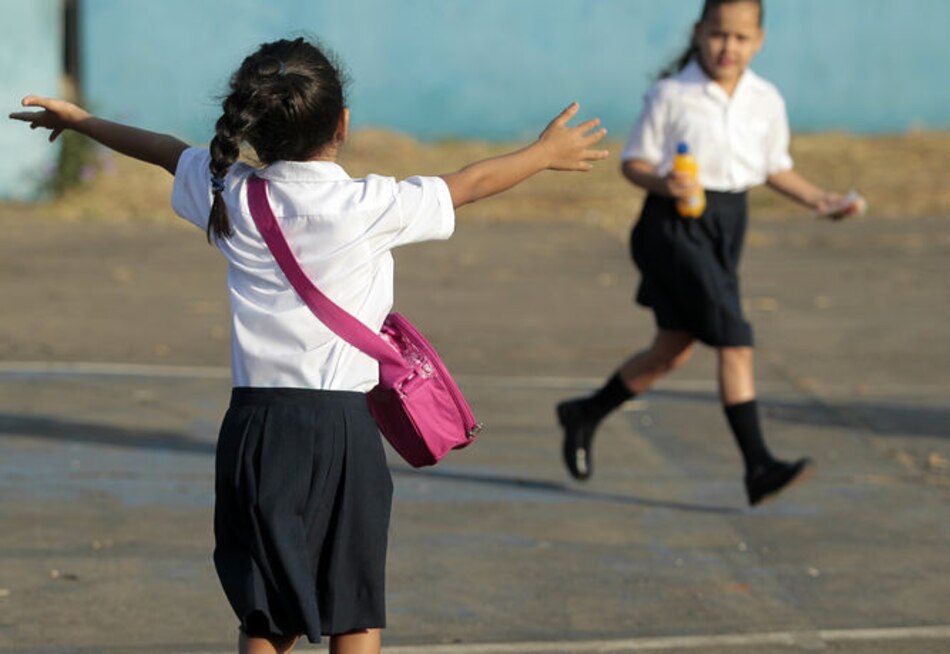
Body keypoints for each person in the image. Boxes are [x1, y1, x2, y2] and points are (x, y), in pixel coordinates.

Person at [11, 37, 608, 654]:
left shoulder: (231, 195)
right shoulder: (371, 204)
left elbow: (165, 151)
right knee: (354, 604)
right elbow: (472, 182)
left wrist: (81, 121)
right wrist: (543, 154)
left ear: (249, 128)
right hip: (344, 429)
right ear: (342, 124)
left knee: (268, 613)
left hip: (255, 430)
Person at [556, 0, 860, 507]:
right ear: (698, 32)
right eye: (719, 34)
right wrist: (665, 182)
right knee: (735, 338)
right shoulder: (671, 95)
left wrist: (821, 200)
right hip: (672, 228)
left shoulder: (766, 99)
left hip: (727, 225)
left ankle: (585, 414)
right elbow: (633, 162)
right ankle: (758, 466)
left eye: (741, 38)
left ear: (759, 41)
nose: (728, 47)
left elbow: (774, 167)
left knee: (672, 348)